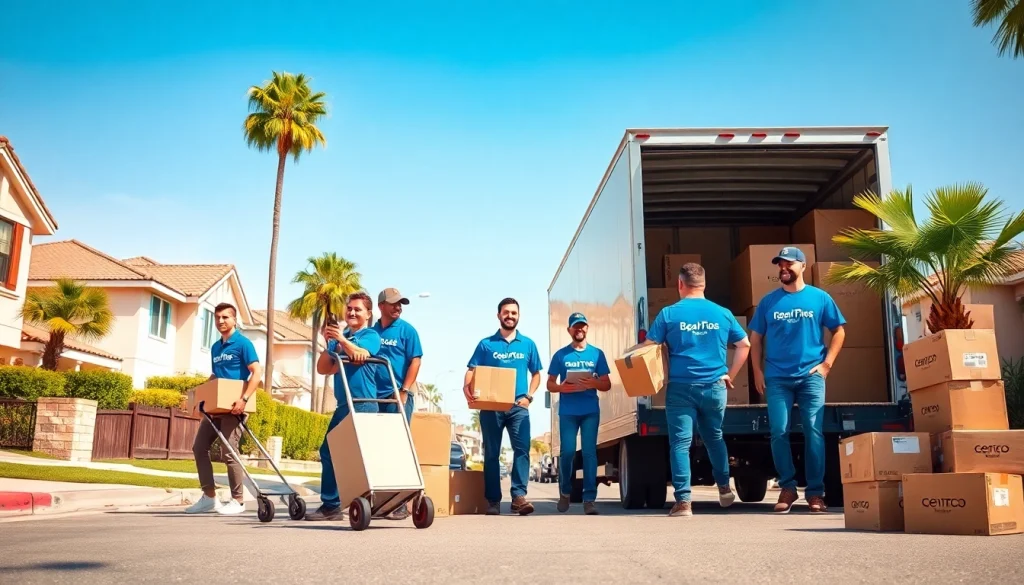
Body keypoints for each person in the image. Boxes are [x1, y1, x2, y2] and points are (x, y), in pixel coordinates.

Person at [643, 263, 750, 517]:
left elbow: (647, 347)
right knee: (714, 437)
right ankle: (724, 488)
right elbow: (744, 344)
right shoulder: (722, 313)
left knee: (680, 443)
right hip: (715, 386)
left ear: (680, 284)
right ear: (704, 284)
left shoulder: (669, 314)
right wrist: (730, 375)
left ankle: (684, 502)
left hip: (680, 387)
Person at [749, 246, 846, 514]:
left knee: (813, 432)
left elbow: (838, 332)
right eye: (780, 264)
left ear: (803, 266)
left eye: (789, 264)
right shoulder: (769, 301)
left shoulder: (820, 298)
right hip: (777, 378)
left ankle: (815, 493)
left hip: (811, 377)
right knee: (779, 431)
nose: (783, 268)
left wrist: (826, 365)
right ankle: (788, 487)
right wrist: (757, 371)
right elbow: (755, 339)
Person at [305, 292, 383, 521]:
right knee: (328, 451)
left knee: (361, 456)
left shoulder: (371, 335)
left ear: (368, 314)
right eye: (349, 308)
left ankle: (369, 499)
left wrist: (341, 341)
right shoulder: (343, 336)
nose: (352, 312)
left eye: (358, 309)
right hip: (344, 404)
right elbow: (323, 368)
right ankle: (331, 505)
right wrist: (328, 343)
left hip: (364, 404)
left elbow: (360, 354)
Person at [462, 297, 543, 516]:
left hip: (518, 407)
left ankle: (518, 497)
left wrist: (529, 396)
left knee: (522, 450)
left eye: (514, 313)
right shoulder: (486, 344)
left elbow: (536, 374)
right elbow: (472, 368)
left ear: (519, 316)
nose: (510, 316)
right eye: (506, 312)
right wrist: (466, 386)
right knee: (491, 454)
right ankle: (493, 501)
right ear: (499, 315)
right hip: (491, 407)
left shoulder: (528, 344)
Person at [186, 302, 262, 515]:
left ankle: (238, 500)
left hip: (235, 406)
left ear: (234, 319)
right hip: (216, 407)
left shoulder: (243, 344)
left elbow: (256, 372)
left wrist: (244, 399)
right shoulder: (216, 347)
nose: (220, 321)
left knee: (229, 451)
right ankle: (209, 497)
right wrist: (200, 395)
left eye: (225, 317)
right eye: (217, 317)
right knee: (199, 447)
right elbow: (215, 377)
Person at [547, 312, 611, 515]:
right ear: (569, 330)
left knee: (589, 453)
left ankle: (589, 499)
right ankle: (565, 492)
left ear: (587, 329)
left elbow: (607, 384)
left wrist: (594, 383)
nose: (579, 329)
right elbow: (550, 383)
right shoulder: (560, 355)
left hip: (590, 410)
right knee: (567, 452)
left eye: (582, 326)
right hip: (568, 411)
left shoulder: (597, 354)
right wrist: (560, 388)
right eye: (576, 326)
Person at [373, 287, 423, 520]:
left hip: (398, 396)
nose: (398, 307)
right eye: (393, 303)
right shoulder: (371, 332)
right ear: (381, 305)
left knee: (398, 447)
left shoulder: (407, 331)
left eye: (400, 303)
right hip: (372, 397)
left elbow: (415, 361)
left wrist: (404, 390)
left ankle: (401, 503)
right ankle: (381, 500)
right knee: (378, 448)